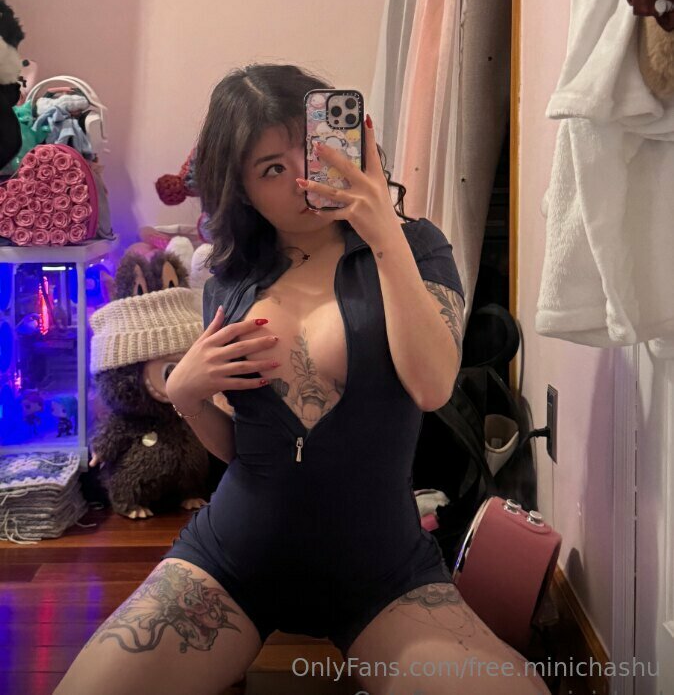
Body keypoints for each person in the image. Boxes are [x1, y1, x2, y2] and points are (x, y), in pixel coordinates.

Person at [55, 64, 549, 694]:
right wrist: (186, 396)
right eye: (271, 169)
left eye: (309, 153)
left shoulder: (416, 248)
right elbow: (244, 449)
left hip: (383, 574)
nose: (301, 180)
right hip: (232, 560)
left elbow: (431, 387)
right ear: (242, 191)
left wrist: (382, 230)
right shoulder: (231, 281)